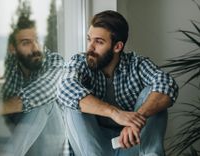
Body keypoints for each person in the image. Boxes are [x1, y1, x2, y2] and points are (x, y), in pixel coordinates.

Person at [57, 10, 179, 156]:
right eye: (89, 39)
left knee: (155, 93)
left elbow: (167, 84)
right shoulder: (79, 62)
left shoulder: (137, 64)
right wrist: (115, 113)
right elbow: (64, 87)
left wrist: (136, 120)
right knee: (72, 100)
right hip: (93, 147)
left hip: (129, 142)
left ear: (117, 47)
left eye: (99, 42)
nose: (90, 48)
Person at [0, 15, 68, 156]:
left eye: (37, 40)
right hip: (26, 141)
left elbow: (43, 91)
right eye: (26, 43)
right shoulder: (13, 67)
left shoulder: (55, 62)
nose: (35, 47)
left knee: (43, 101)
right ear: (13, 48)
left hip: (53, 142)